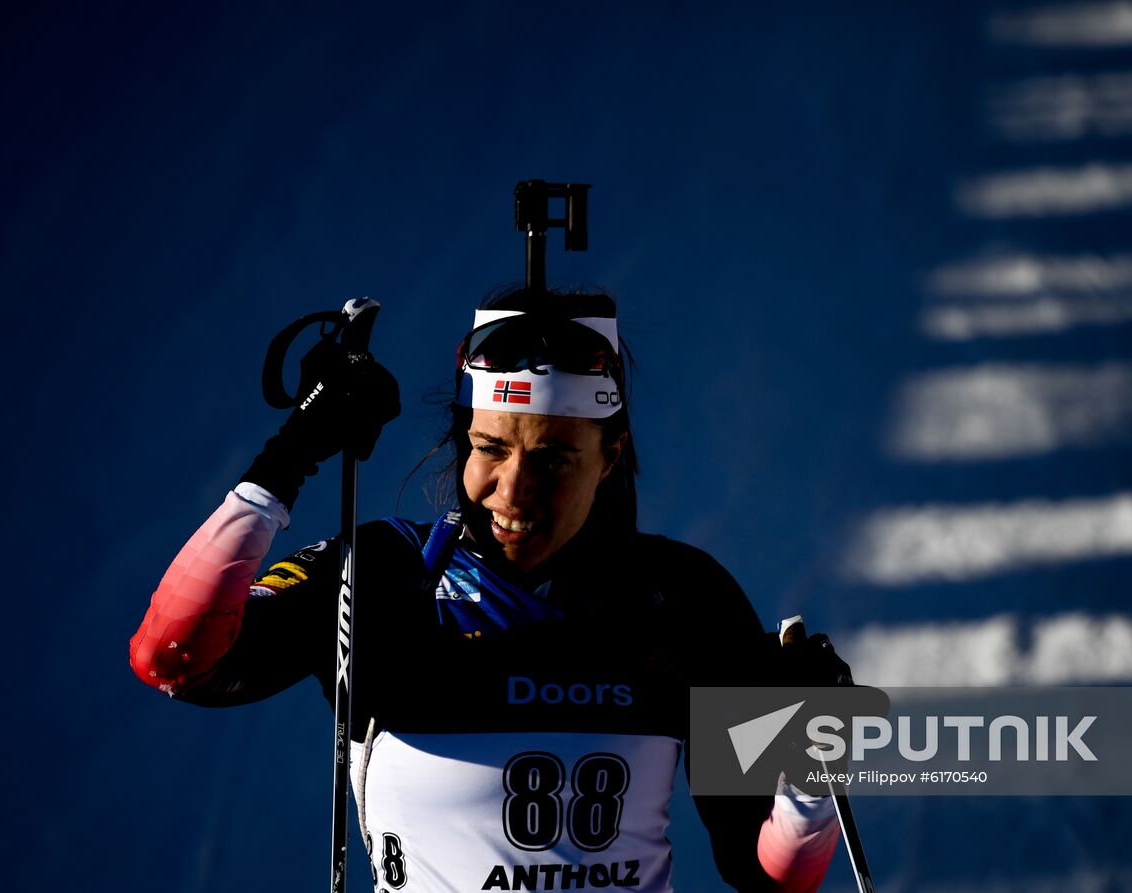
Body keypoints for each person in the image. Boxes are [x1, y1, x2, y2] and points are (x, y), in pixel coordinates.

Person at [130, 287, 851, 892]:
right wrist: (290, 454)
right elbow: (175, 657)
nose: (514, 490)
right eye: (490, 448)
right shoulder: (380, 572)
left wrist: (809, 773)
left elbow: (771, 875)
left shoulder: (681, 595)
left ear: (611, 457)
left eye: (555, 457)